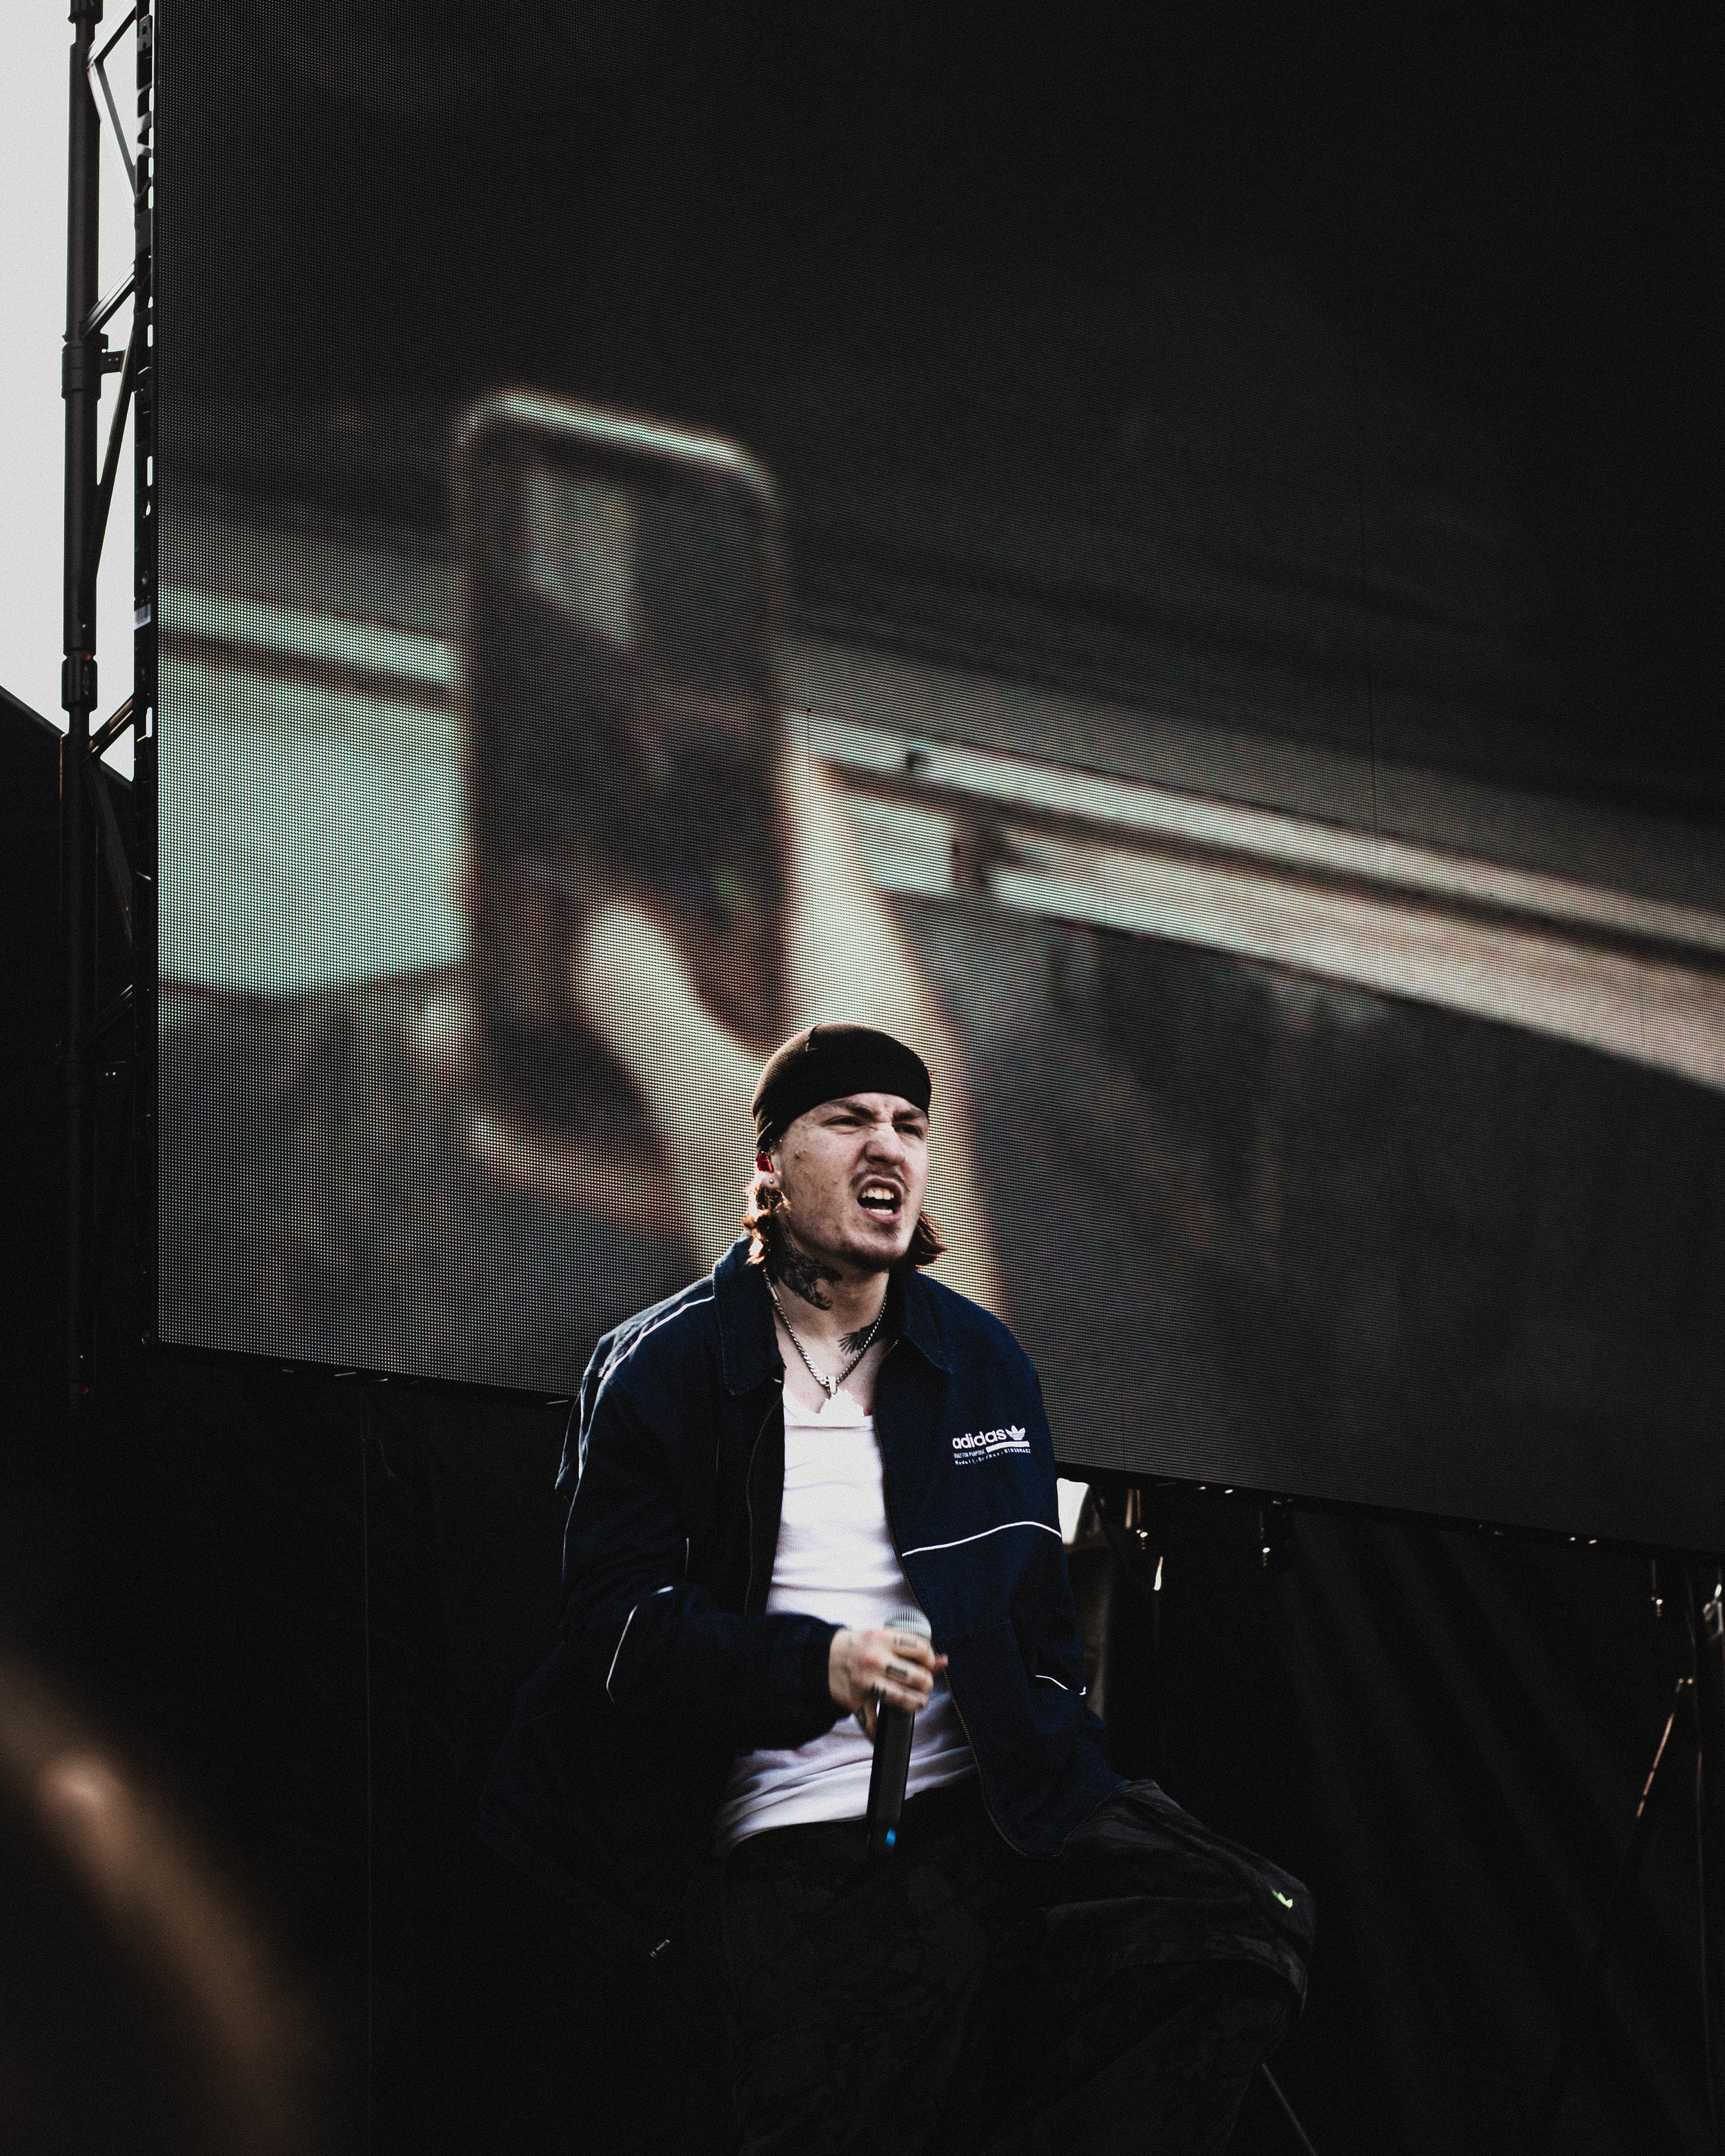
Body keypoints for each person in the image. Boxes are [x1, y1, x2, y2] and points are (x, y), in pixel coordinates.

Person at [480, 1019, 1312, 2154]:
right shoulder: (660, 1364)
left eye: (910, 1125)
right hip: (796, 1837)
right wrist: (816, 1664)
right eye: (849, 1120)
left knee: (1243, 1926)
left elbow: (1040, 1613)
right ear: (769, 1162)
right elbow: (615, 1634)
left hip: (1005, 1811)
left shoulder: (984, 1361)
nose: (890, 1148)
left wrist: (1046, 1724)